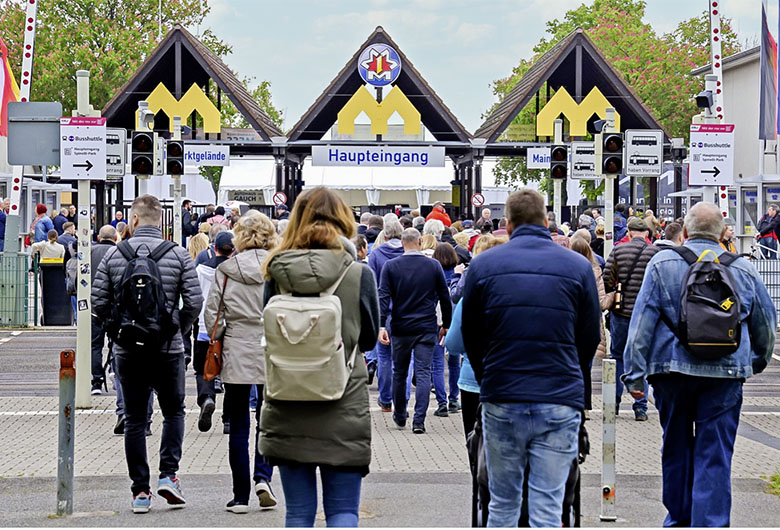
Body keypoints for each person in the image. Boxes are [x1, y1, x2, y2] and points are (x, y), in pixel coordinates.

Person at [622, 202, 776, 527]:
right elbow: (765, 325)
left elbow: (641, 325)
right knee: (715, 453)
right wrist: (756, 363)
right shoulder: (744, 269)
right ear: (723, 233)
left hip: (670, 372)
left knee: (675, 447)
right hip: (725, 374)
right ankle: (710, 523)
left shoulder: (662, 263)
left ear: (685, 232)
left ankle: (678, 519)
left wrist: (634, 376)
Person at [461, 189, 600, 527]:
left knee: (503, 504)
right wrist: (573, 377)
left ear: (507, 225)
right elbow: (590, 336)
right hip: (558, 398)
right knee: (549, 507)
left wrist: (488, 376)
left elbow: (471, 335)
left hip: (502, 396)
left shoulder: (482, 267)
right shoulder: (578, 267)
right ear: (546, 221)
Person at [259, 187, 379, 528]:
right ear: (345, 220)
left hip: (287, 400)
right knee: (343, 512)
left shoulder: (276, 272)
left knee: (298, 514)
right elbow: (368, 338)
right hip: (342, 401)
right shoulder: (358, 274)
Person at [93, 194, 203, 514]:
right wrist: (174, 330)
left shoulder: (116, 255)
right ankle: (168, 475)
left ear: (135, 219)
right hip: (168, 350)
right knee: (174, 412)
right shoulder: (179, 254)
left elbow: (99, 303)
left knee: (135, 420)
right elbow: (194, 302)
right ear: (161, 222)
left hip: (128, 351)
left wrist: (119, 332)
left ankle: (140, 492)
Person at [204, 212, 278, 513]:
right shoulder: (278, 268)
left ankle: (239, 495)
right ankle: (264, 477)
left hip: (236, 348)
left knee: (238, 424)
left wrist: (219, 336)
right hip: (272, 349)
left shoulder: (226, 270)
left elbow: (213, 315)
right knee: (268, 421)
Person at [378, 228, 452, 434]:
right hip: (426, 327)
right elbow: (445, 298)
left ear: (402, 243)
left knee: (399, 372)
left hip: (401, 327)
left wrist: (381, 325)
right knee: (423, 372)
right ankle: (419, 420)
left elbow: (383, 297)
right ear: (420, 241)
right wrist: (446, 324)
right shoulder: (433, 266)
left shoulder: (391, 267)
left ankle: (400, 415)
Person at [446, 235, 508, 439]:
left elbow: (453, 344)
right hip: (512, 380)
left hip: (473, 378)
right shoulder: (525, 297)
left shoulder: (470, 299)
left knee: (475, 442)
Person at [603, 216, 658, 421]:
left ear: (629, 232)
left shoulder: (618, 250)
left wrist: (616, 293)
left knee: (618, 356)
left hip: (622, 312)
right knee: (640, 358)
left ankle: (615, 402)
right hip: (646, 314)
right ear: (646, 234)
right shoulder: (654, 252)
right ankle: (640, 407)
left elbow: (608, 277)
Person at [194, 232, 235, 435]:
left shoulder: (201, 270)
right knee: (230, 374)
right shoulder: (234, 271)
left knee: (204, 369)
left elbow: (193, 297)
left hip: (204, 327)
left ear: (214, 247)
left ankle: (207, 397)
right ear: (232, 250)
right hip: (230, 328)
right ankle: (228, 419)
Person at [366, 219, 404, 409]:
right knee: (404, 359)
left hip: (384, 312)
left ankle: (386, 399)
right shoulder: (408, 253)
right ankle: (402, 401)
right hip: (406, 311)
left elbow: (372, 286)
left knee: (385, 358)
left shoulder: (376, 254)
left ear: (385, 234)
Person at [430, 242, 460, 416]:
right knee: (455, 361)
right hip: (454, 321)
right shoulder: (458, 275)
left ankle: (441, 402)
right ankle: (454, 399)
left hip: (437, 321)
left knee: (437, 363)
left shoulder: (434, 273)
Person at [89, 225, 118, 396]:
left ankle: (96, 382)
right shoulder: (121, 253)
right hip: (115, 307)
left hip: (94, 307)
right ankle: (114, 370)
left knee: (95, 345)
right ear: (115, 238)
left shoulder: (89, 252)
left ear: (99, 237)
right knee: (116, 341)